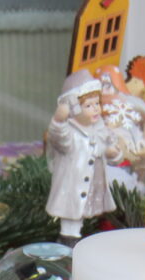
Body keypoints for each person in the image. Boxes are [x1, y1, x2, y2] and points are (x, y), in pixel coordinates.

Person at [46, 70, 122, 245]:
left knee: (86, 208)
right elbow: (58, 138)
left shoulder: (101, 129)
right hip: (73, 184)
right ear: (74, 108)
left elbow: (112, 152)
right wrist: (58, 120)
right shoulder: (70, 132)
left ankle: (85, 233)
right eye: (88, 106)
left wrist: (113, 153)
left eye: (97, 103)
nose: (95, 109)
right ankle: (69, 237)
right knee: (72, 212)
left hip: (94, 184)